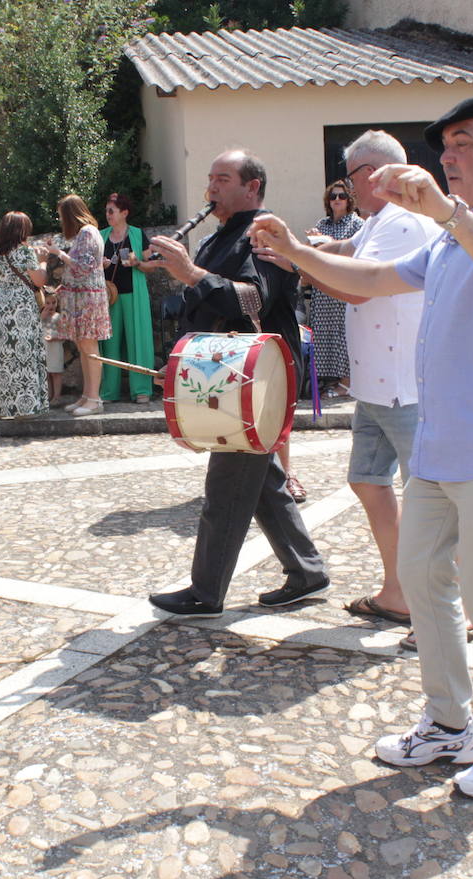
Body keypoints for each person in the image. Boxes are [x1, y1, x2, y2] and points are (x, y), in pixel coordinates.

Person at [252, 91, 473, 799]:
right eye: (446, 146)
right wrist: (299, 252)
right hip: (444, 443)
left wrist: (447, 213)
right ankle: (450, 724)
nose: (446, 157)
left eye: (460, 144)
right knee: (425, 580)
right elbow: (371, 279)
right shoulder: (454, 234)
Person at [146, 149, 327, 619]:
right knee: (259, 475)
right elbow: (208, 310)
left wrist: (189, 272)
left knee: (227, 483)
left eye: (223, 179)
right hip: (228, 372)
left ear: (253, 188)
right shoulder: (218, 237)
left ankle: (206, 593)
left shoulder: (263, 233)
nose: (211, 189)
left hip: (259, 375)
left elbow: (253, 300)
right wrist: (182, 363)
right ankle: (307, 570)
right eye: (210, 179)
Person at [302, 131, 435, 637]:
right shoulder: (381, 221)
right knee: (368, 480)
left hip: (404, 386)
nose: (348, 189)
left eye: (352, 177)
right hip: (379, 386)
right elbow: (346, 246)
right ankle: (399, 592)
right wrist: (314, 248)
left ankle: (451, 609)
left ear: (374, 176)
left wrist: (300, 259)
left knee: (429, 501)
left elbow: (357, 289)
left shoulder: (403, 223)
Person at [46, 195, 112, 416]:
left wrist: (59, 254)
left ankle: (94, 399)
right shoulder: (88, 233)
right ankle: (87, 396)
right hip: (83, 297)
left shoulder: (87, 233)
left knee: (90, 349)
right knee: (85, 349)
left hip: (87, 300)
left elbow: (84, 267)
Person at [0, 212, 51, 419]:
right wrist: (43, 261)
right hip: (21, 309)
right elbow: (39, 280)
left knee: (0, 356)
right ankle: (25, 408)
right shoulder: (25, 252)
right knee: (24, 355)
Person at [306, 179, 365, 398]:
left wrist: (328, 242)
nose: (337, 201)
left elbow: (355, 251)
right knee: (324, 333)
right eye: (333, 197)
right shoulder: (322, 224)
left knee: (344, 335)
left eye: (341, 196)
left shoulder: (356, 224)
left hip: (343, 286)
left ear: (349, 200)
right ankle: (329, 379)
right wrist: (314, 241)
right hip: (324, 288)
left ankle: (347, 382)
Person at [98, 192, 156, 404]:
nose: (108, 214)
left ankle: (141, 389)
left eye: (111, 211)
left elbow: (152, 265)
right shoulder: (100, 236)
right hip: (109, 297)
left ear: (124, 212)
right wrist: (100, 265)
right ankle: (108, 392)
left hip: (134, 295)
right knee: (109, 344)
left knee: (137, 341)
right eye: (106, 211)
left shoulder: (139, 235)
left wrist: (137, 263)